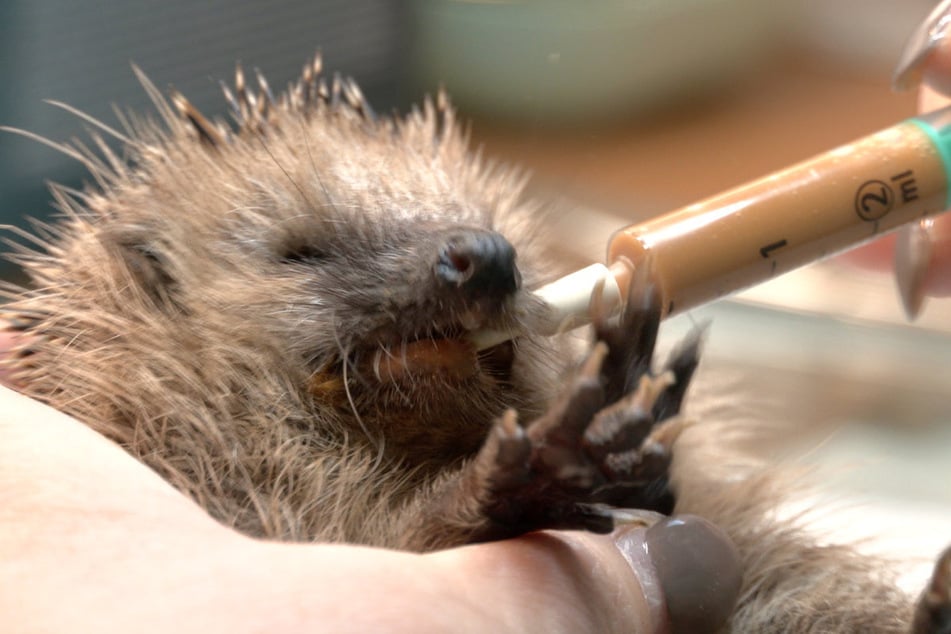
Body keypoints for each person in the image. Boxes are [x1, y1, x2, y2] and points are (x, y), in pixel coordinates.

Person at [4, 6, 951, 633]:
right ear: (150, 290)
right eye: (307, 258)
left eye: (493, 248)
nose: (482, 267)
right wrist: (478, 521)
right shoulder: (154, 471)